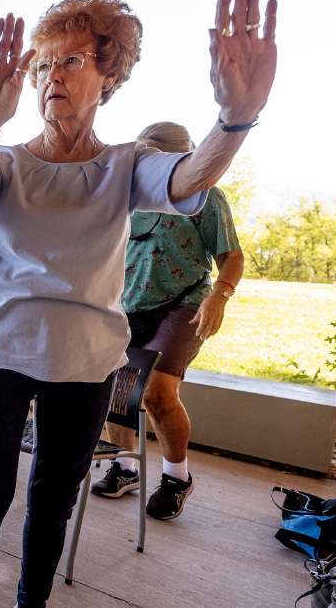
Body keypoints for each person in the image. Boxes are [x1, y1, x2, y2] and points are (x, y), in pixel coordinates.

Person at [0, 0, 277, 608]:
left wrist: (236, 119)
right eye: (43, 64)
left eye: (70, 61)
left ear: (109, 76)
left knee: (53, 500)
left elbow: (187, 178)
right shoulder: (7, 160)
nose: (51, 77)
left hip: (86, 362)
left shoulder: (127, 163)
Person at [92, 121, 245, 520]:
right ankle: (125, 468)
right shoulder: (129, 197)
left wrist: (220, 295)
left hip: (184, 303)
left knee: (157, 392)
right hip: (128, 304)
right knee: (118, 389)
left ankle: (177, 477)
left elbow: (232, 256)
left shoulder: (205, 195)